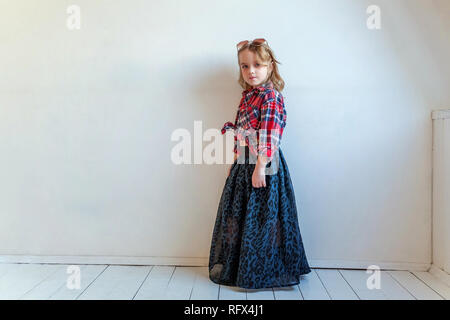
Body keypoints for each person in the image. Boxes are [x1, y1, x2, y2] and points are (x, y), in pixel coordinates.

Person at [208, 38, 312, 289]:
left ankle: (262, 272)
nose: (251, 71)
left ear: (270, 67)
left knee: (264, 220)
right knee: (241, 217)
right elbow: (241, 132)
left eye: (257, 64)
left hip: (263, 165)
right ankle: (239, 269)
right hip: (244, 164)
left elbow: (270, 134)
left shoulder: (271, 97)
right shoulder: (247, 97)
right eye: (245, 66)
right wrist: (235, 161)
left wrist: (260, 167)